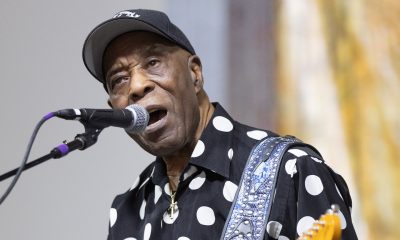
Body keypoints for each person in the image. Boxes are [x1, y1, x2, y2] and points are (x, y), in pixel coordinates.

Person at [82, 9, 358, 240]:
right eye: (119, 79)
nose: (138, 86)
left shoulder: (290, 168)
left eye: (153, 62)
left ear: (195, 73)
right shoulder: (128, 208)